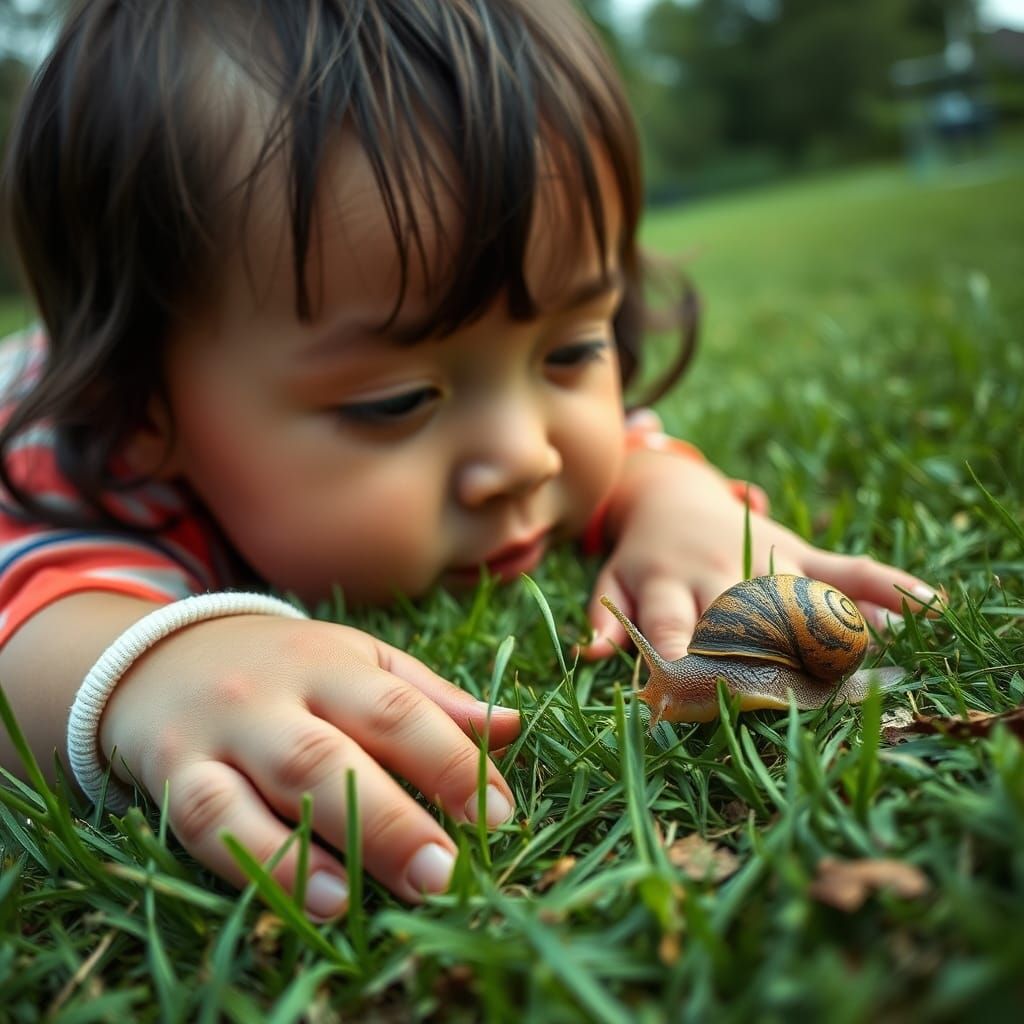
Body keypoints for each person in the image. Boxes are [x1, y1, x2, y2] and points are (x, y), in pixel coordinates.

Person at [0, 0, 936, 921]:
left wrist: (672, 493)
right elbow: (30, 613)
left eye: (570, 351)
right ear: (142, 408)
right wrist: (157, 664)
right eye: (397, 402)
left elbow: (635, 437)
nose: (526, 457)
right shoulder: (83, 465)